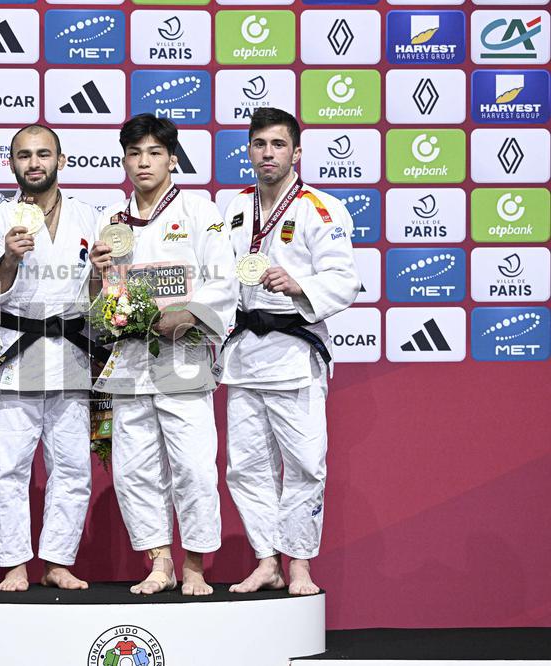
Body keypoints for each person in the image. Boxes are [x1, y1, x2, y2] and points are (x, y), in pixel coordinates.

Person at [88, 115, 237, 596]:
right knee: (134, 469)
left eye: (154, 153)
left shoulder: (199, 211)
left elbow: (224, 278)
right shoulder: (112, 221)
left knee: (193, 467)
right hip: (130, 358)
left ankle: (194, 565)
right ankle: (160, 562)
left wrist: (190, 313)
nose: (143, 162)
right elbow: (97, 300)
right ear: (124, 161)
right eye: (134, 154)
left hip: (183, 355)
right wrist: (94, 275)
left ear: (172, 159)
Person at [217, 107, 360, 595]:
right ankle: (266, 560)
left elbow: (345, 279)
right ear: (249, 150)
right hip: (244, 355)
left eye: (278, 145)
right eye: (259, 144)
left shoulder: (320, 208)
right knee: (245, 467)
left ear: (296, 153)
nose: (268, 153)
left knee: (304, 465)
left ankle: (299, 563)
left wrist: (300, 285)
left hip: (295, 354)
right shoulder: (234, 207)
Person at [0, 125, 100, 592]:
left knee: (72, 466)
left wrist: (102, 273)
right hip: (16, 353)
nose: (34, 163)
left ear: (61, 160)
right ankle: (14, 563)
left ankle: (57, 561)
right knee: (9, 466)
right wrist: (8, 258)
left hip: (71, 352)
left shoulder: (89, 217)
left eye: (43, 154)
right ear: (11, 163)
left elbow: (100, 295)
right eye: (24, 155)